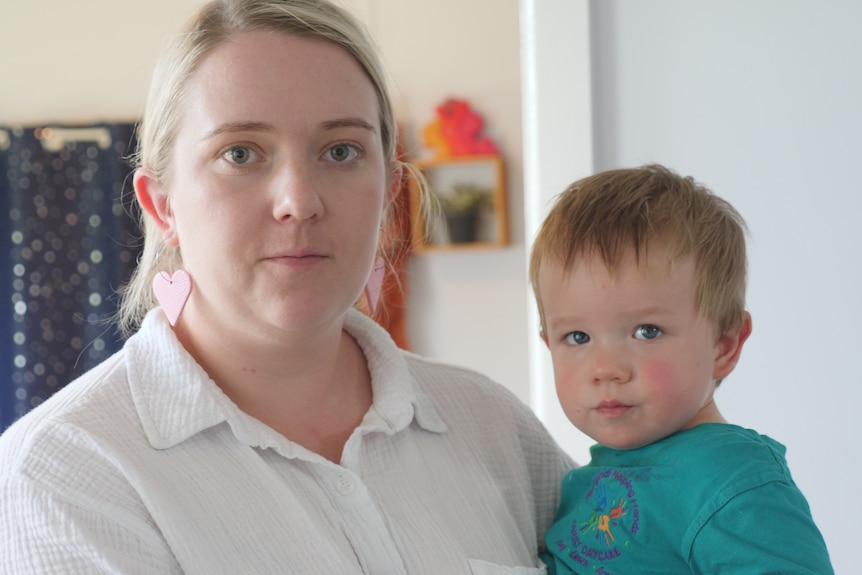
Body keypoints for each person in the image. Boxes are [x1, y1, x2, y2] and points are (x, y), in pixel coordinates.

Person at [0, 1, 573, 572]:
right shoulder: (63, 475)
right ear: (162, 205)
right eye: (240, 154)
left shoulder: (495, 428)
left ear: (390, 193)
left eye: (341, 151)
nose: (299, 201)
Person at [529, 164, 833, 574]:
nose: (606, 369)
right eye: (578, 338)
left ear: (724, 345)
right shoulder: (582, 480)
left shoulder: (733, 481)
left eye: (646, 331)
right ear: (548, 344)